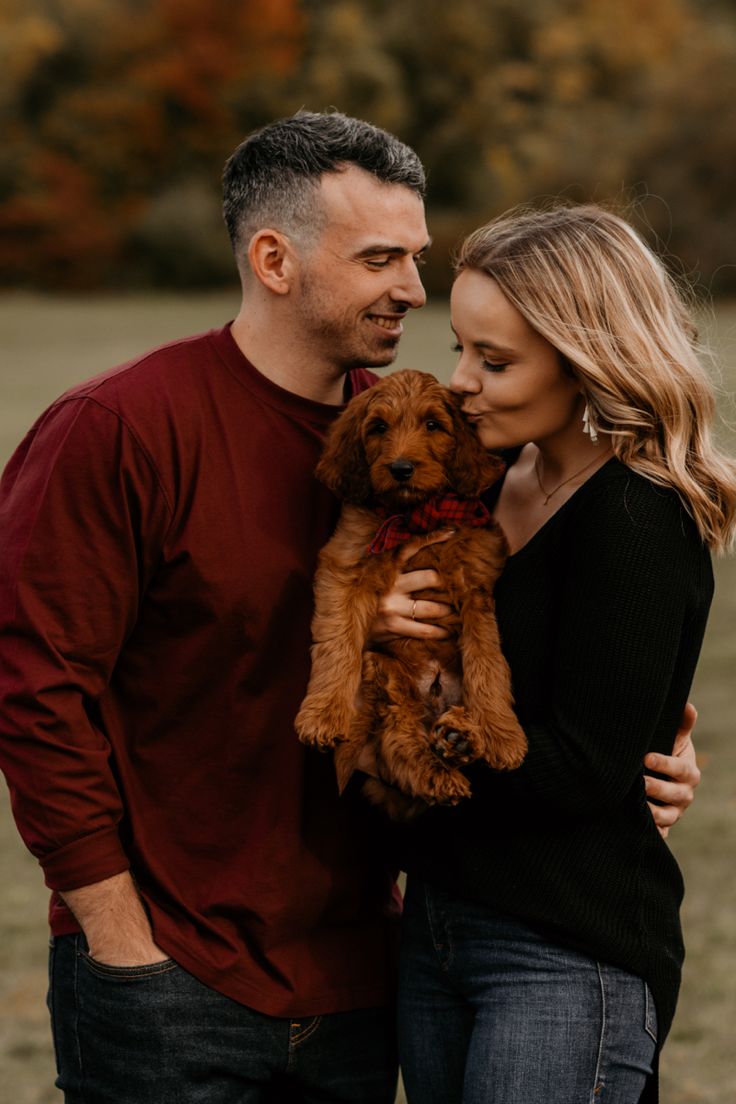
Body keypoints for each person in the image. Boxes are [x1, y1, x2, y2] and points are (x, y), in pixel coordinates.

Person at [0, 114, 698, 1103]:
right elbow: (33, 698)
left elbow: (573, 640)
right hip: (173, 974)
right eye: (381, 259)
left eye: (415, 257)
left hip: (364, 979)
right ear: (274, 258)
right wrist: (117, 938)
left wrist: (648, 759)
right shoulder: (118, 431)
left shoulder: (426, 441)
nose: (413, 289)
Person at [371, 205, 736, 1103]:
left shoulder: (635, 518)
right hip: (439, 926)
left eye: (494, 362)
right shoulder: (490, 478)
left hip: (563, 952)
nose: (459, 383)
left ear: (587, 361)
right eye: (459, 347)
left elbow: (580, 770)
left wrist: (413, 723)